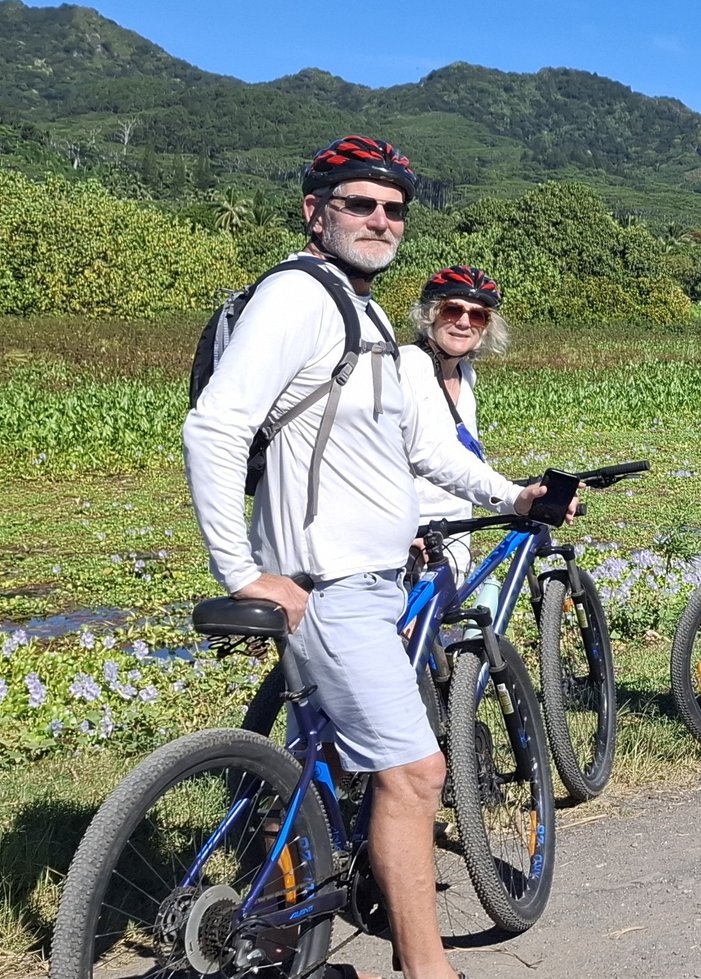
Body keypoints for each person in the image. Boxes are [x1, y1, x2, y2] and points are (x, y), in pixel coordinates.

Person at [184, 136, 552, 979]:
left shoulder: (372, 316)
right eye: (359, 203)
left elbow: (425, 444)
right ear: (316, 211)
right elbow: (214, 424)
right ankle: (430, 969)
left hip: (379, 580)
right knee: (419, 772)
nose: (380, 219)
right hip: (331, 584)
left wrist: (515, 496)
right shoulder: (298, 296)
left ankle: (298, 908)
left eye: (393, 208)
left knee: (348, 760)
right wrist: (241, 571)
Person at [397, 265, 510, 579]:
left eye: (478, 315)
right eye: (452, 310)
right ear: (430, 314)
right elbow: (428, 453)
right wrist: (510, 496)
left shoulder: (465, 374)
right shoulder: (408, 365)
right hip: (409, 537)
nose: (464, 322)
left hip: (454, 528)